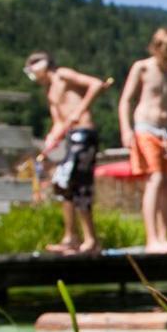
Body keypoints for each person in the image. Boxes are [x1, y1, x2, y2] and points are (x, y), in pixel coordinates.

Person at [24, 51, 106, 255]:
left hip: (84, 134)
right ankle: (71, 238)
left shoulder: (62, 74)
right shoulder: (49, 91)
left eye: (34, 64)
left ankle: (90, 240)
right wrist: (52, 139)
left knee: (78, 184)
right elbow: (59, 121)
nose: (32, 70)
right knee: (63, 184)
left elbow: (96, 84)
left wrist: (80, 110)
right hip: (69, 137)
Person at [119, 26, 167, 253]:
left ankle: (164, 237)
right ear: (157, 47)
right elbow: (125, 101)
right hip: (145, 128)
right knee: (155, 179)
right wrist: (126, 130)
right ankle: (152, 239)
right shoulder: (142, 68)